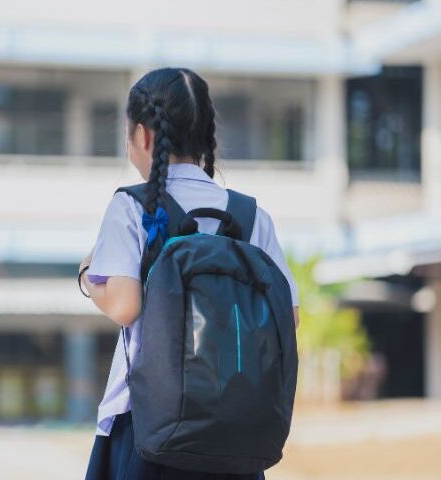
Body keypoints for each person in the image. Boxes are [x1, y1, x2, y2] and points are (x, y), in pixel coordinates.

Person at [78, 67, 301, 480]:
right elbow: (289, 318)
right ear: (206, 137)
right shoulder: (253, 217)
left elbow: (125, 306)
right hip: (234, 434)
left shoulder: (131, 206)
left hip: (149, 428)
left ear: (143, 135)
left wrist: (90, 276)